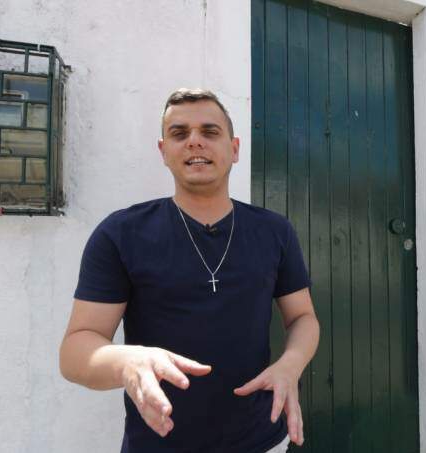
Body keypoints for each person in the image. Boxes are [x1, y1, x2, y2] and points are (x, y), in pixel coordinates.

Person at [59, 89, 320, 453]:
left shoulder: (274, 231)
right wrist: (128, 361)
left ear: (234, 148)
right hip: (159, 443)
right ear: (164, 151)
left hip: (261, 439)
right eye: (179, 133)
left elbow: (303, 318)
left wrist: (291, 364)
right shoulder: (120, 233)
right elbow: (75, 351)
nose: (195, 141)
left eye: (210, 131)